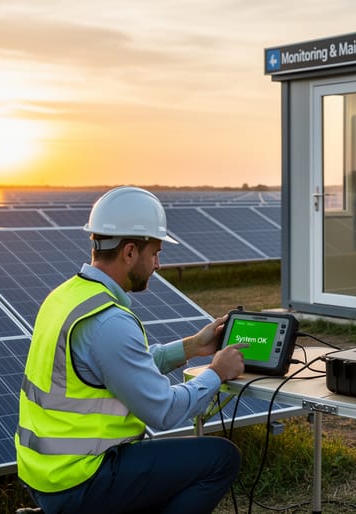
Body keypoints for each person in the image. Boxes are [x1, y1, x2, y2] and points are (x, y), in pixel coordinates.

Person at [15, 186, 248, 514]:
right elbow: (164, 412)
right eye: (155, 252)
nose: (158, 264)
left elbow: (115, 369)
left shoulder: (65, 298)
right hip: (81, 480)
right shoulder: (110, 323)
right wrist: (216, 373)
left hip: (44, 476)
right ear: (128, 252)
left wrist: (192, 347)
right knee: (222, 458)